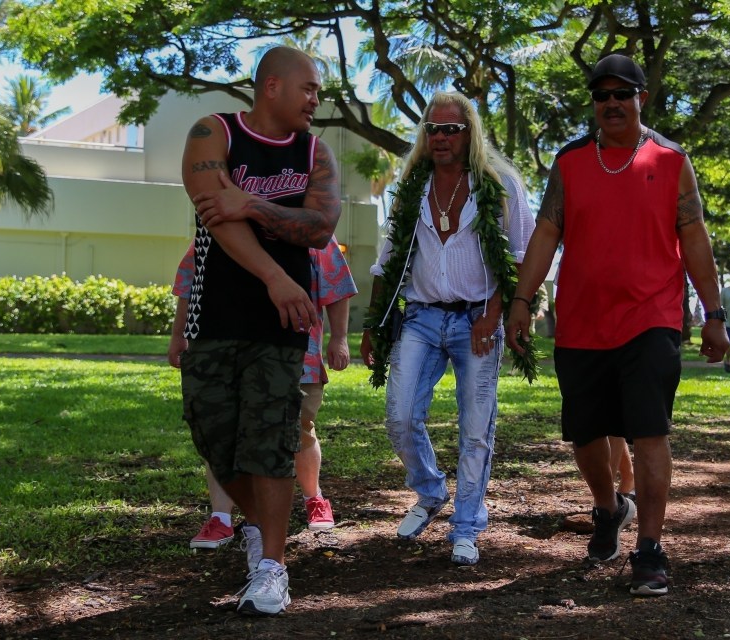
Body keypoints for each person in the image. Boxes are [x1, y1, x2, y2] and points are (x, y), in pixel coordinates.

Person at [504, 54, 729, 597]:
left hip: (651, 318)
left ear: (640, 99)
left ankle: (649, 550)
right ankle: (609, 508)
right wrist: (520, 300)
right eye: (601, 95)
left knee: (649, 433)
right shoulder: (571, 161)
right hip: (581, 322)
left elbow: (695, 238)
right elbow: (545, 234)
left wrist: (714, 314)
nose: (610, 103)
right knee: (585, 435)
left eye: (621, 94)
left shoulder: (672, 159)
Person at [178, 46, 341, 616]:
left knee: (270, 441)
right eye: (310, 89)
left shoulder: (316, 152)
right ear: (272, 86)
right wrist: (275, 271)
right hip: (215, 315)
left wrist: (249, 201)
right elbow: (214, 215)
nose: (316, 101)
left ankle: (272, 567)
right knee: (211, 431)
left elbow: (321, 227)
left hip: (282, 323)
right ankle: (257, 528)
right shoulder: (212, 132)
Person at [359, 91, 535, 566]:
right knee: (399, 415)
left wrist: (494, 315)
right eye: (432, 129)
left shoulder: (500, 185)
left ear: (469, 132)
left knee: (476, 427)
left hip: (478, 316)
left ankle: (466, 524)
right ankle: (431, 489)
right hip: (420, 316)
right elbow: (388, 256)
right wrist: (374, 324)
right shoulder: (413, 186)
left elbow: (521, 257)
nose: (439, 137)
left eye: (450, 129)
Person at [170, 236, 357, 548]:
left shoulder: (306, 223)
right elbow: (191, 282)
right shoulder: (220, 225)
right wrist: (179, 334)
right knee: (223, 433)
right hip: (226, 347)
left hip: (298, 352)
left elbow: (336, 287)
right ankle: (221, 517)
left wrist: (339, 337)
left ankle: (313, 496)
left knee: (299, 430)